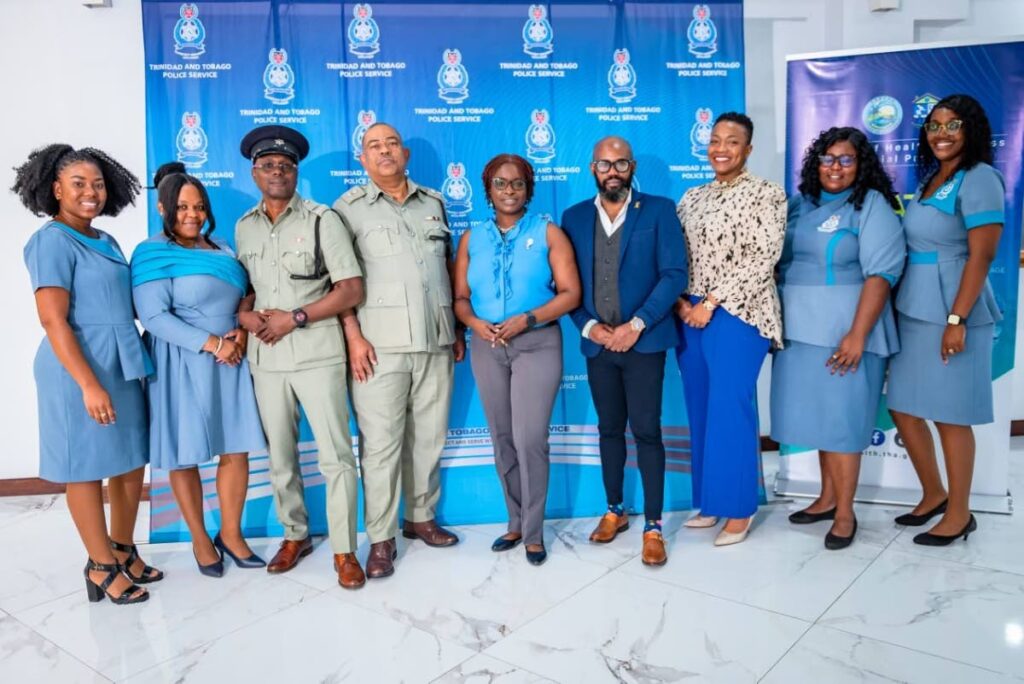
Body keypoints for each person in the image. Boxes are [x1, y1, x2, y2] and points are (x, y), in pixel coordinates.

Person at [15, 144, 159, 605]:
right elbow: (53, 318)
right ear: (55, 189)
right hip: (78, 365)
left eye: (97, 184)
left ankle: (121, 547)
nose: (90, 192)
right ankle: (100, 566)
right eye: (78, 184)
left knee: (131, 460)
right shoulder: (51, 241)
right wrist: (88, 384)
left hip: (121, 359)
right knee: (86, 467)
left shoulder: (106, 240)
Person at [234, 126, 367, 588]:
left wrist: (295, 317)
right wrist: (245, 315)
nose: (277, 172)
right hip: (265, 361)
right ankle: (295, 535)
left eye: (286, 166)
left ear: (296, 172)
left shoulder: (320, 219)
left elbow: (350, 288)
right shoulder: (244, 225)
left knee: (334, 457)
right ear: (254, 172)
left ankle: (345, 550)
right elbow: (248, 287)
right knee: (281, 459)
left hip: (316, 354)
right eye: (268, 165)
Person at [333, 122, 465, 580]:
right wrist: (352, 335)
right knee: (382, 447)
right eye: (374, 146)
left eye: (391, 143)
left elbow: (444, 269)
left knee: (429, 438)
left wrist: (457, 330)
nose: (384, 151)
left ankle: (421, 518)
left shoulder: (434, 202)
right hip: (378, 347)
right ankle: (382, 537)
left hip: (436, 340)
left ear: (405, 153)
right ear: (363, 160)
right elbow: (339, 281)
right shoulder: (347, 210)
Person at [771, 127, 905, 550]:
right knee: (820, 421)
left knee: (844, 423)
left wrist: (857, 334)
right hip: (799, 331)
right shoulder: (800, 204)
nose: (835, 167)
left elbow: (881, 275)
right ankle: (826, 498)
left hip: (845, 331)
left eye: (846, 159)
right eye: (828, 158)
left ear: (861, 165)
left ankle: (845, 512)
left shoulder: (872, 205)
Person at [131, 163, 268, 576]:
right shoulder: (151, 252)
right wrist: (213, 344)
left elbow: (247, 294)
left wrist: (239, 337)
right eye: (182, 207)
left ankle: (231, 534)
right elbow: (153, 317)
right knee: (182, 453)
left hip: (231, 359)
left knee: (236, 447)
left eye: (199, 206)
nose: (192, 214)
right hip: (179, 360)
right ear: (163, 208)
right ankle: (199, 538)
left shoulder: (223, 248)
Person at [561, 136, 687, 567]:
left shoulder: (659, 210)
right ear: (592, 168)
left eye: (620, 164)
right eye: (604, 164)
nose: (612, 171)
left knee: (648, 431)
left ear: (632, 167)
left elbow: (673, 274)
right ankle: (615, 510)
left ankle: (653, 526)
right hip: (599, 346)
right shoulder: (574, 217)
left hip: (644, 342)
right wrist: (590, 327)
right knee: (609, 430)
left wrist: (636, 325)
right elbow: (567, 285)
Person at [452, 154, 581, 566]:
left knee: (529, 439)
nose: (509, 191)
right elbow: (459, 299)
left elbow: (570, 294)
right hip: (487, 346)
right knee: (502, 437)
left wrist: (527, 319)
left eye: (517, 184)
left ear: (529, 188)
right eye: (501, 184)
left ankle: (533, 531)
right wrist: (474, 322)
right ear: (488, 189)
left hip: (537, 344)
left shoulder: (548, 233)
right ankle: (514, 520)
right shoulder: (472, 238)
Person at [886, 94, 1004, 546]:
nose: (942, 133)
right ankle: (933, 493)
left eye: (953, 125)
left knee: (952, 417)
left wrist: (957, 316)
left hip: (954, 308)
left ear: (971, 131)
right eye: (935, 125)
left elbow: (983, 253)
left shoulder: (981, 178)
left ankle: (959, 513)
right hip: (915, 307)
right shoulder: (935, 179)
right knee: (903, 405)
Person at [675, 112, 786, 547]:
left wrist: (712, 303)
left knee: (729, 404)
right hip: (691, 315)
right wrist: (684, 302)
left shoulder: (766, 194)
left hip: (743, 313)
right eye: (715, 140)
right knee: (700, 406)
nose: (721, 148)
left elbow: (764, 256)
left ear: (748, 149)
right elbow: (677, 256)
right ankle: (711, 501)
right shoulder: (691, 197)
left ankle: (739, 509)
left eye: (732, 141)